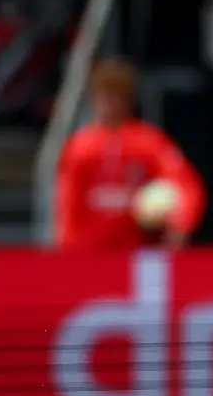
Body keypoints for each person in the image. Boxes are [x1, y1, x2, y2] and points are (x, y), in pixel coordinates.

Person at [55, 57, 205, 251]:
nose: (108, 103)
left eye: (115, 95)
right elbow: (67, 204)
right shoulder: (79, 146)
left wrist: (181, 224)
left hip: (138, 253)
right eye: (104, 95)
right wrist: (66, 247)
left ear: (128, 99)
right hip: (89, 254)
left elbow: (187, 186)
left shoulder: (149, 142)